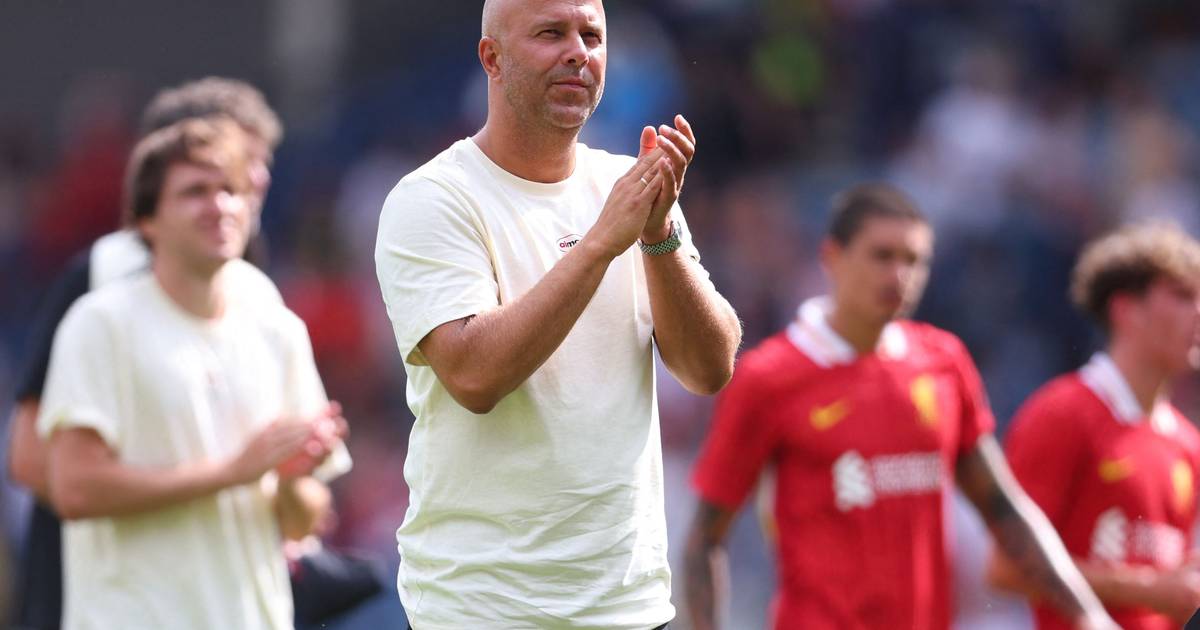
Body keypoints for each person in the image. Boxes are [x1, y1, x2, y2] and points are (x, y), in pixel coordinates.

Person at [374, 0, 741, 627]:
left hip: (628, 603)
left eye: (591, 36)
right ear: (492, 58)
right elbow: (474, 376)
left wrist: (657, 236)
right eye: (550, 33)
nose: (578, 53)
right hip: (483, 608)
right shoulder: (433, 199)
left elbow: (708, 369)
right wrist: (600, 244)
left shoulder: (629, 186)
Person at [683, 184, 1117, 630]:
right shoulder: (770, 377)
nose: (899, 275)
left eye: (914, 260)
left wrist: (1088, 615)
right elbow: (704, 541)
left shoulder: (943, 362)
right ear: (832, 256)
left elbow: (1006, 510)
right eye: (882, 256)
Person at [36, 117, 350, 630]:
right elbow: (74, 489)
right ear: (146, 221)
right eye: (194, 192)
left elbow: (304, 522)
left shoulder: (277, 325)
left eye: (231, 190)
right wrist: (232, 471)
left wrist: (292, 478)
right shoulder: (100, 324)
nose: (219, 206)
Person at [5, 77, 284, 630]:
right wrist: (169, 512)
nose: (255, 179)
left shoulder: (254, 293)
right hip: (87, 594)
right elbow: (29, 457)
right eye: (237, 160)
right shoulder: (102, 276)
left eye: (259, 163)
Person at [990, 223, 1200, 629]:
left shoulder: (1187, 442)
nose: (1198, 312)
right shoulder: (1062, 414)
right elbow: (1006, 567)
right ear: (1126, 309)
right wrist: (1148, 589)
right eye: (1181, 295)